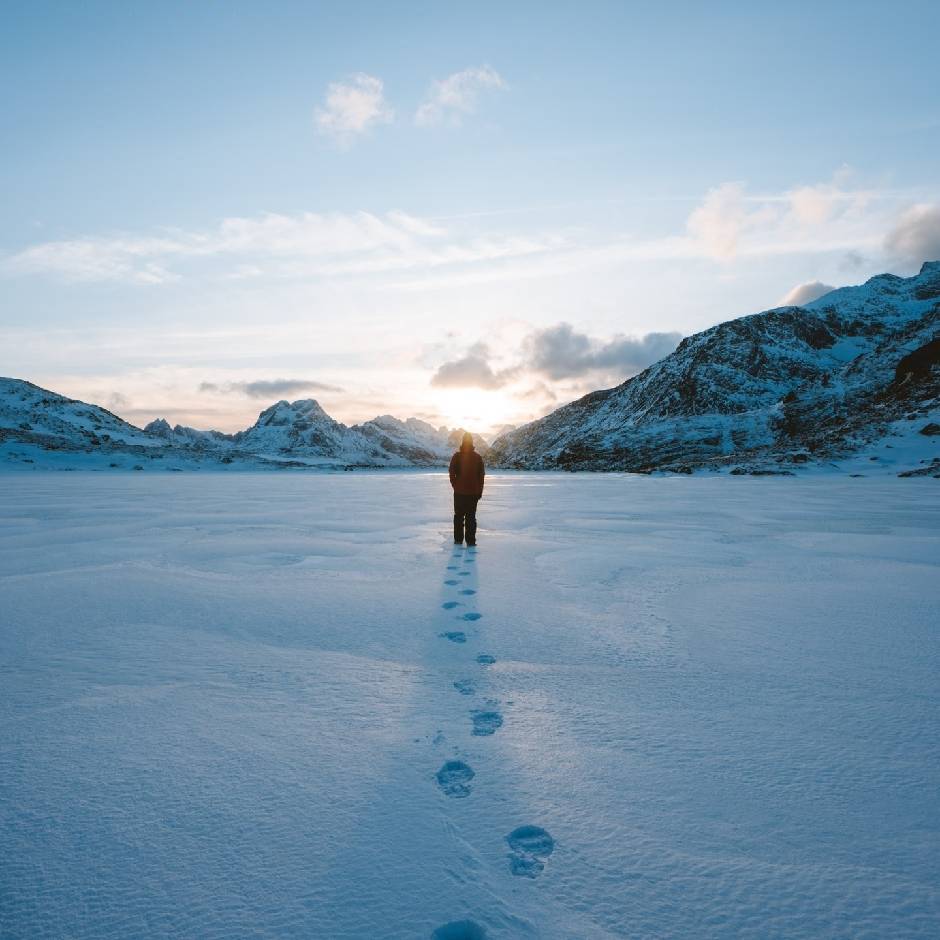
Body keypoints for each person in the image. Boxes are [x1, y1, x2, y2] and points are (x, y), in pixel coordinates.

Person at [449, 432, 484, 546]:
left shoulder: (457, 456)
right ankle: (470, 541)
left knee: (458, 516)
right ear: (472, 442)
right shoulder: (478, 457)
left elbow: (451, 473)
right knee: (471, 517)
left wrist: (456, 485)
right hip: (473, 493)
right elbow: (481, 477)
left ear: (462, 441)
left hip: (459, 493)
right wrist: (479, 491)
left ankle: (458, 540)